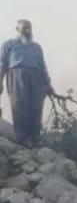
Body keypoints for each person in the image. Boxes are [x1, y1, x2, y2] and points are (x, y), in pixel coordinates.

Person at [0, 19, 54, 147]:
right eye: (25, 28)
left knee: (36, 108)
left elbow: (42, 66)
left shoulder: (36, 47)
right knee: (20, 107)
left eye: (29, 28)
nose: (28, 31)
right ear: (17, 29)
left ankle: (35, 139)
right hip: (16, 76)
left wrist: (48, 84)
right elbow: (2, 65)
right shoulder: (8, 45)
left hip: (37, 77)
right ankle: (23, 139)